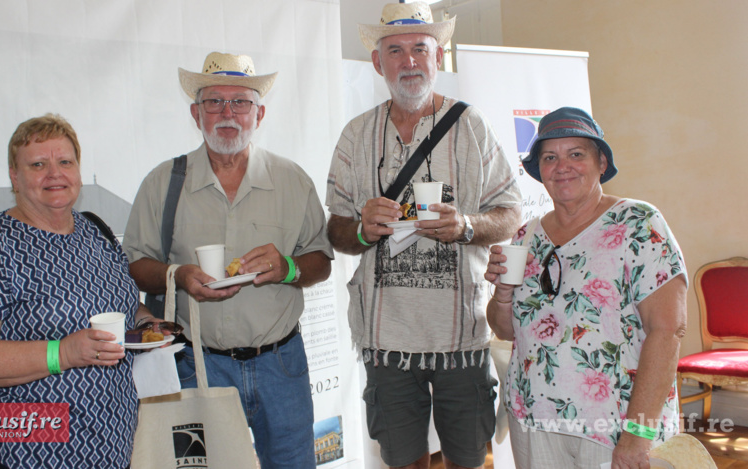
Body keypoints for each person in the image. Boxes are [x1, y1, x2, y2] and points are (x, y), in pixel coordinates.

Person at [325, 3, 522, 468]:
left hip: (462, 339)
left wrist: (467, 226)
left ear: (438, 56)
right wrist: (360, 227)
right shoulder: (356, 135)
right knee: (403, 463)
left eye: (420, 48)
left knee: (470, 460)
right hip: (386, 339)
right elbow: (335, 229)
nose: (408, 61)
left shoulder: (472, 126)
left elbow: (510, 213)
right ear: (378, 63)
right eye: (395, 50)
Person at [123, 51, 333, 469]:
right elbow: (132, 264)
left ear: (260, 113)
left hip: (281, 365)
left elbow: (321, 261)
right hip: (197, 364)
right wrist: (178, 275)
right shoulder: (163, 182)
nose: (227, 113)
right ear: (195, 113)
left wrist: (288, 268)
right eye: (214, 101)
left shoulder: (292, 180)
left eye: (241, 102)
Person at [0, 114, 162, 468]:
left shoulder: (95, 232)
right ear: (14, 176)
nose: (54, 174)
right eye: (38, 164)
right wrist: (64, 352)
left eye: (64, 162)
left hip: (113, 444)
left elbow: (124, 306)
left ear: (77, 170)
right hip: (34, 451)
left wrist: (149, 324)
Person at [485, 107, 687, 469]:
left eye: (576, 153)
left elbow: (668, 330)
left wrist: (637, 434)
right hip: (533, 418)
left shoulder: (638, 223)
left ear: (601, 162)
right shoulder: (526, 235)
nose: (562, 166)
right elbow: (506, 329)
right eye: (550, 157)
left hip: (613, 425)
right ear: (540, 171)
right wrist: (502, 293)